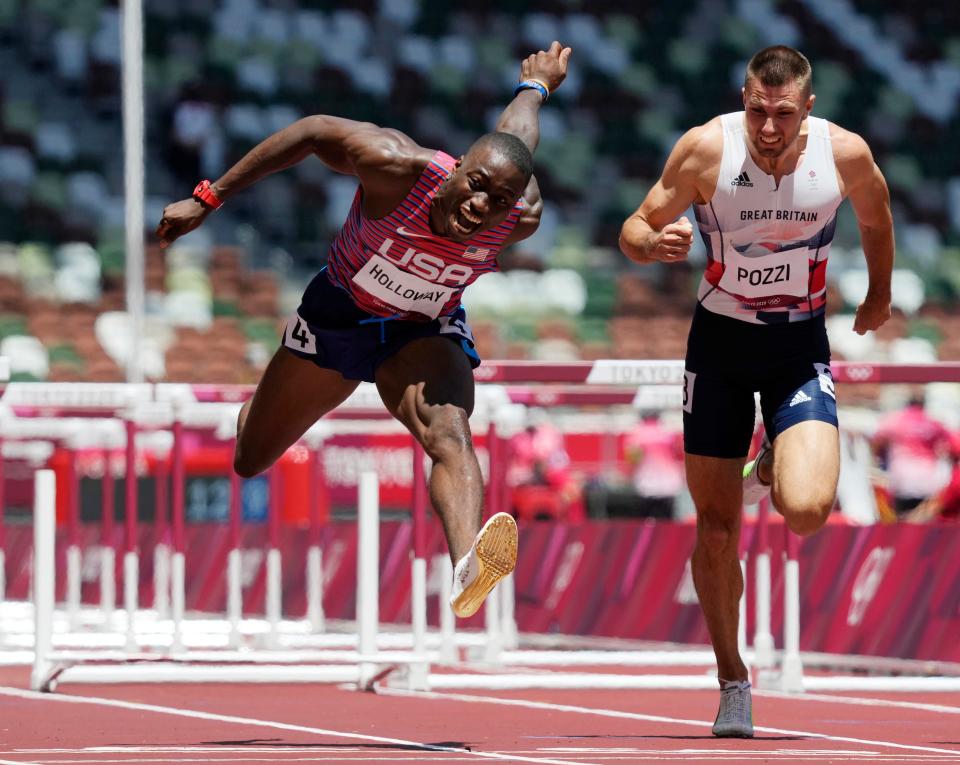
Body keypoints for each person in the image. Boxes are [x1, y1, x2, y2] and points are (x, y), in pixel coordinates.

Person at [156, 42, 573, 619]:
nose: (481, 206)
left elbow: (515, 145)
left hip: (421, 330)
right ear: (456, 168)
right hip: (340, 315)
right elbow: (311, 130)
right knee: (250, 456)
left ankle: (467, 567)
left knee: (449, 432)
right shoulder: (395, 165)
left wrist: (538, 91)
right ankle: (264, 404)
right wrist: (210, 196)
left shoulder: (517, 217)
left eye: (498, 200)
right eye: (475, 185)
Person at [619, 46, 893, 737]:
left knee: (804, 509)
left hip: (797, 347)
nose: (767, 127)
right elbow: (634, 224)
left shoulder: (844, 153)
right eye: (755, 110)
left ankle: (771, 460)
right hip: (718, 346)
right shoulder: (707, 149)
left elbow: (878, 217)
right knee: (716, 531)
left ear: (807, 106)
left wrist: (879, 295)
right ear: (743, 98)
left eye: (781, 113)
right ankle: (732, 678)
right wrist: (650, 243)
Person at [872, 391, 953, 516]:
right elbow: (951, 446)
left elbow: (877, 442)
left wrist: (880, 458)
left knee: (902, 520)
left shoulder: (894, 420)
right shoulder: (934, 423)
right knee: (923, 523)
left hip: (902, 481)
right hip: (928, 482)